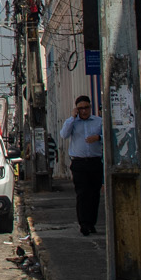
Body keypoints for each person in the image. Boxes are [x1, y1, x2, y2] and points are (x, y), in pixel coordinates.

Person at [57, 94, 104, 236]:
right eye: (81, 108)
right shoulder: (72, 122)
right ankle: (83, 223)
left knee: (94, 194)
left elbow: (108, 136)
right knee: (82, 194)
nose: (84, 111)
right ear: (77, 109)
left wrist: (98, 138)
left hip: (95, 162)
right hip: (79, 163)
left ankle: (91, 223)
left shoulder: (98, 121)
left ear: (90, 107)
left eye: (86, 107)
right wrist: (72, 118)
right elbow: (64, 134)